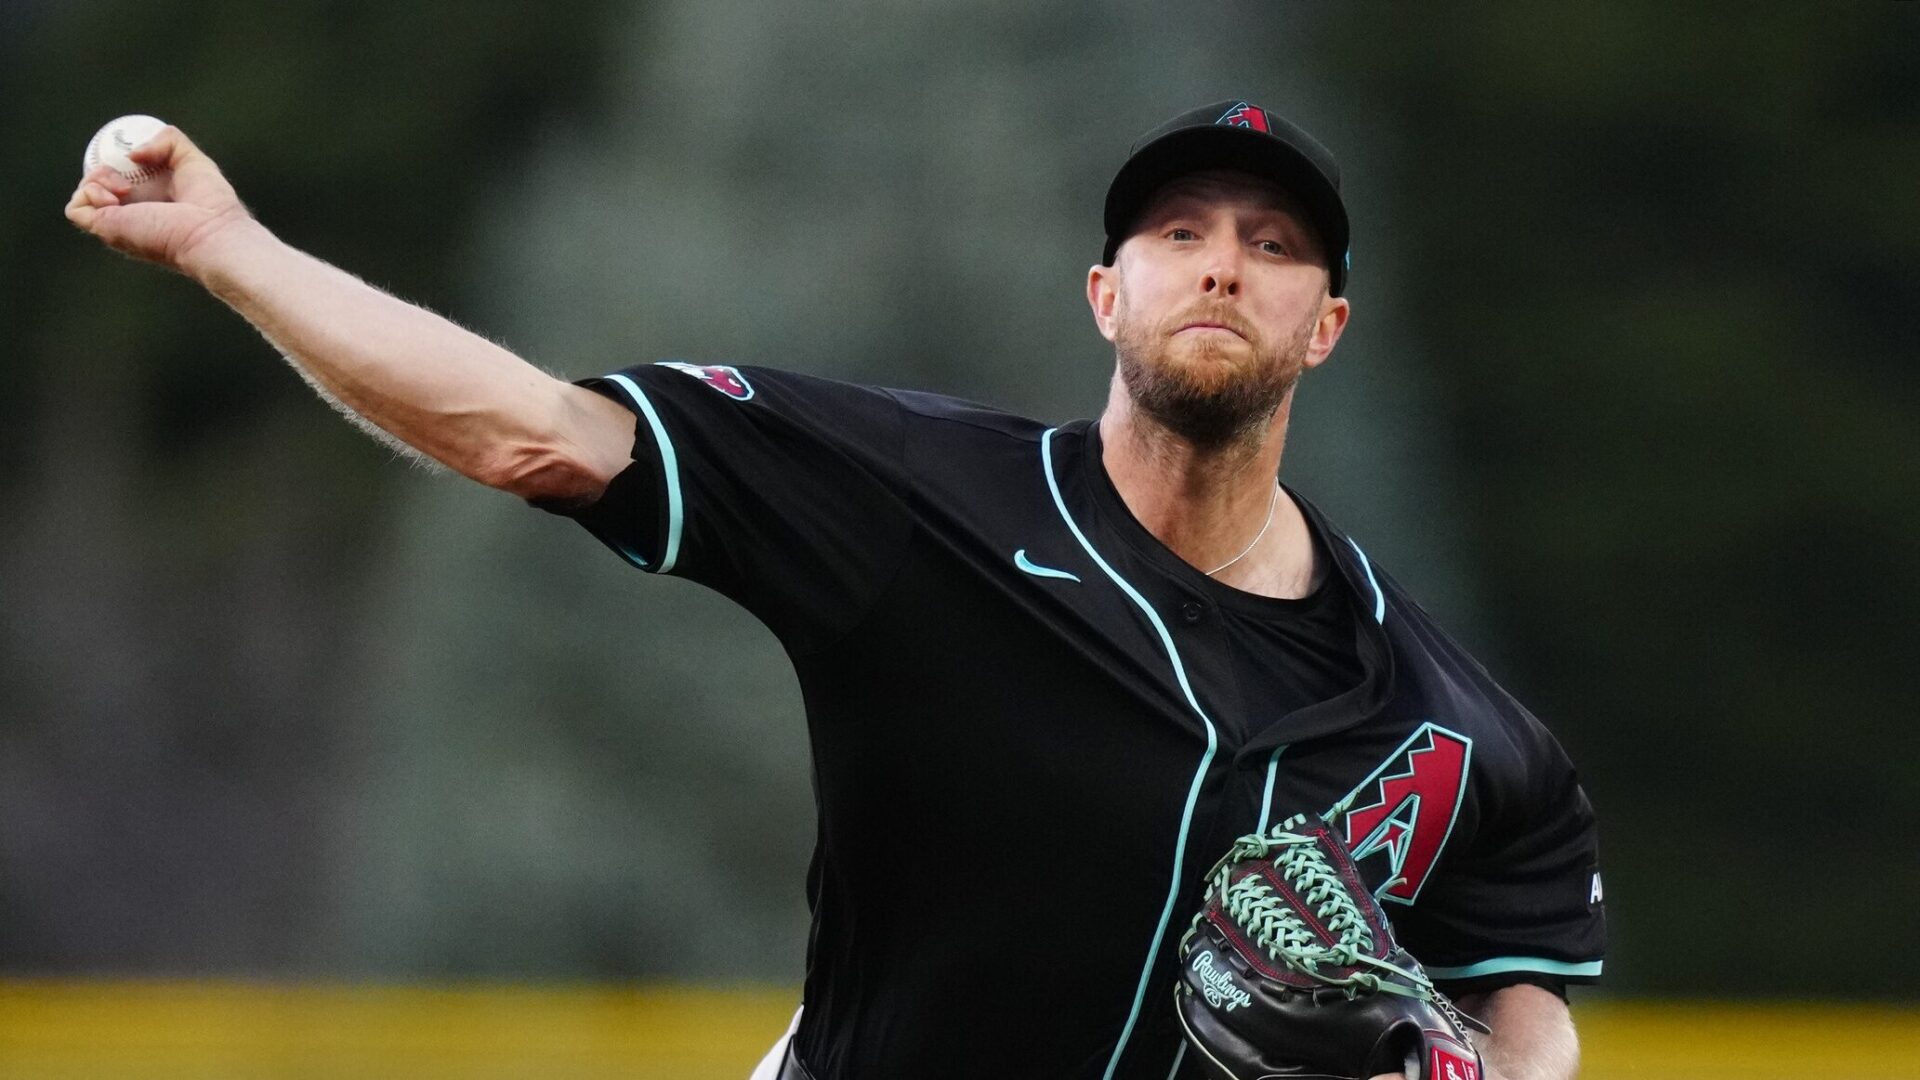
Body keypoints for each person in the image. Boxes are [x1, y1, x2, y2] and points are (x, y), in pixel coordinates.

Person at [67, 99, 1604, 1080]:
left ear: (1323, 325)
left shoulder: (1453, 724)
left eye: (1274, 246)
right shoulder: (917, 500)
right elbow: (531, 429)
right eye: (1179, 231)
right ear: (1106, 291)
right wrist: (229, 245)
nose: (1224, 266)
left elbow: (1522, 986)